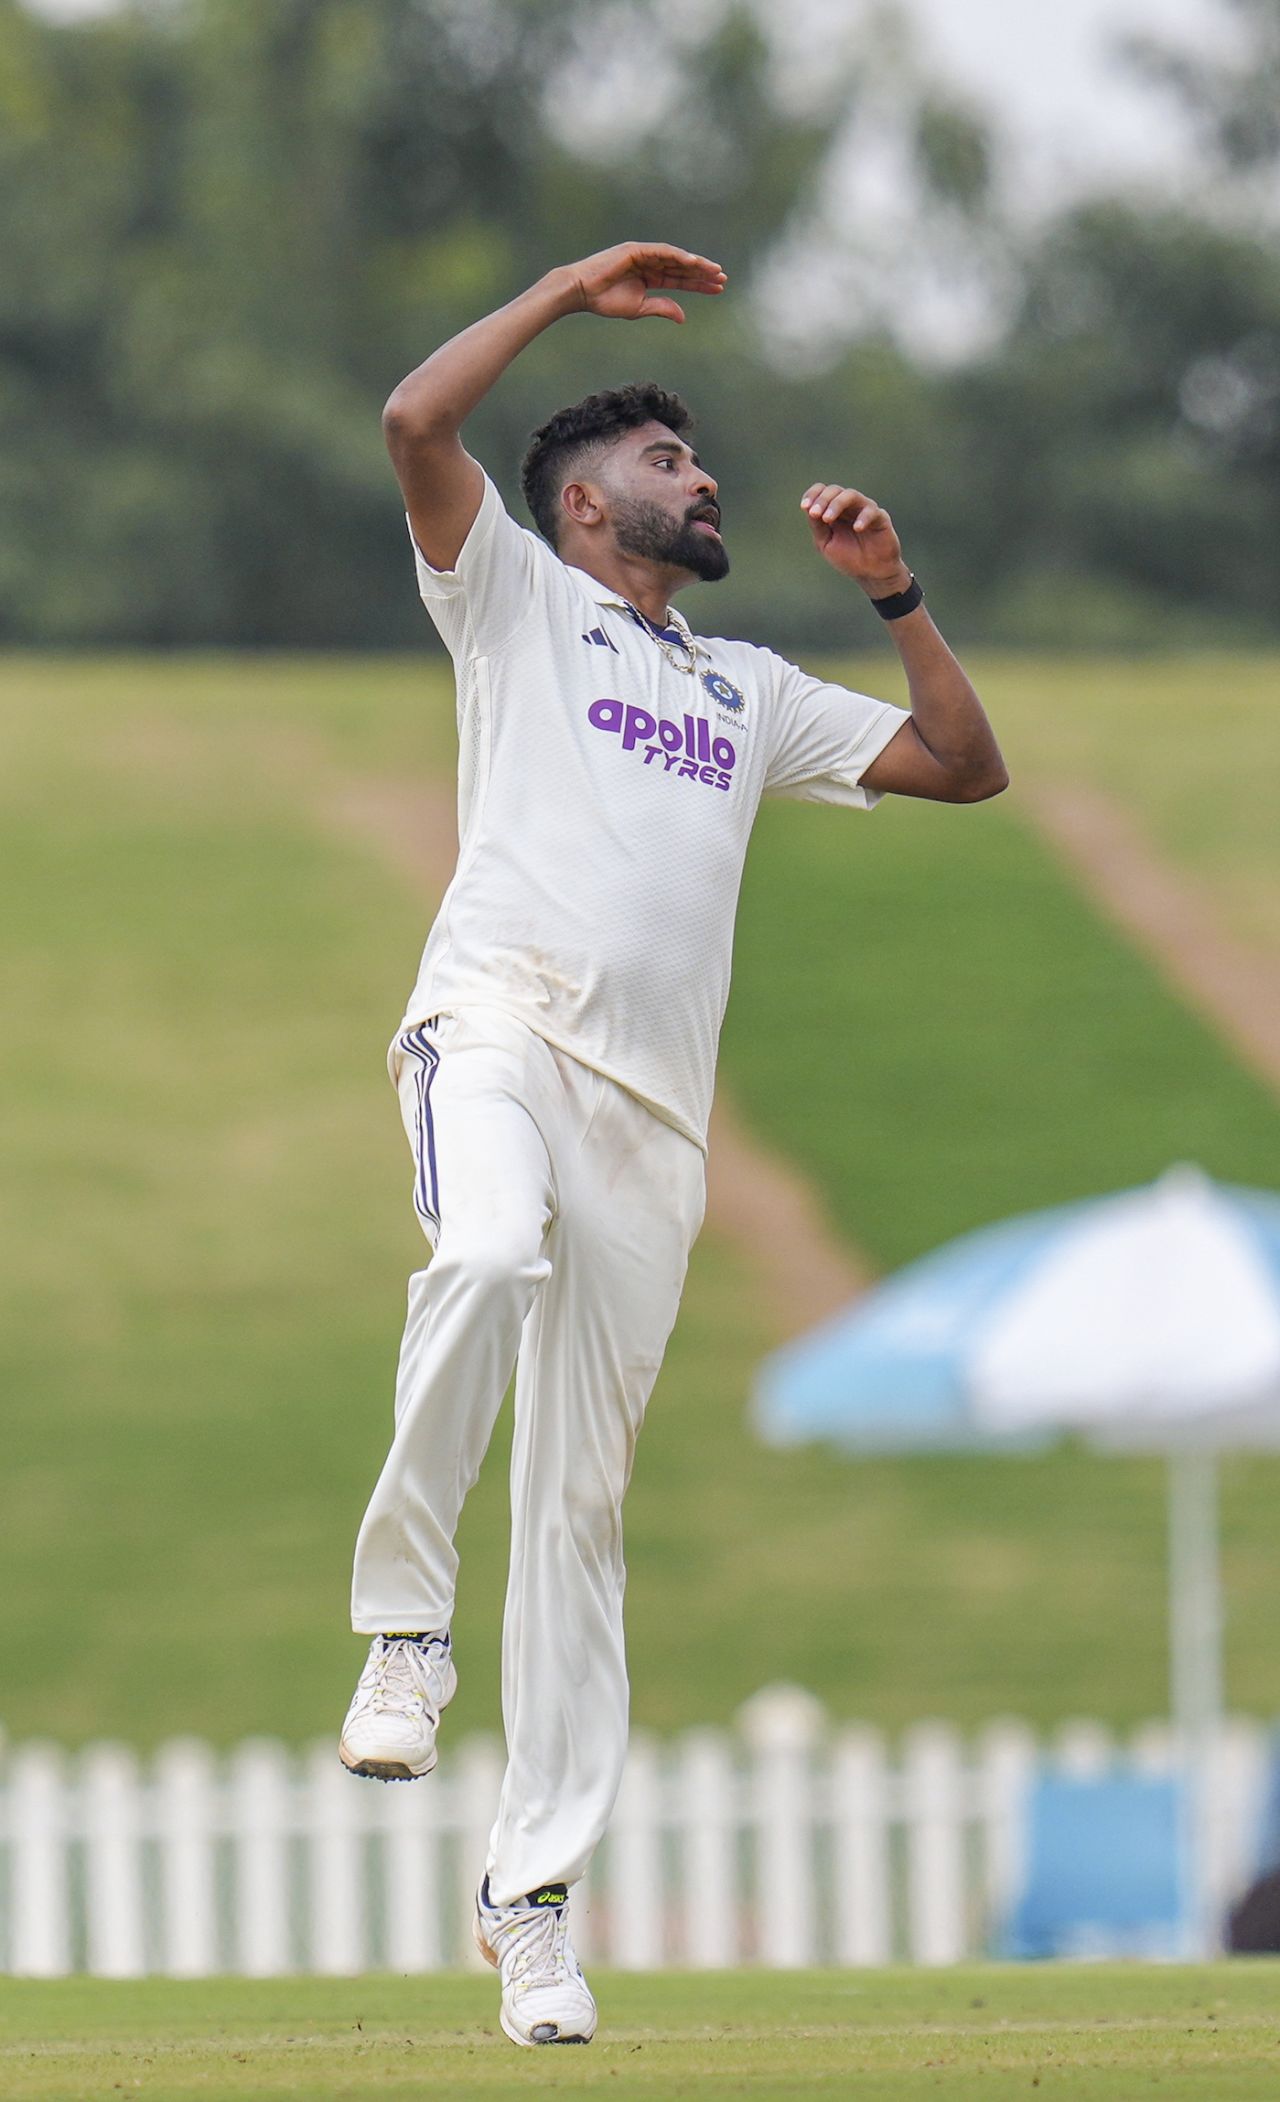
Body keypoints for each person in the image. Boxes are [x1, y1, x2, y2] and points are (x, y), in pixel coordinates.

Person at [338, 241, 1007, 2046]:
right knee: (484, 1250)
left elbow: (965, 764)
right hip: (497, 1026)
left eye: (697, 459)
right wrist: (565, 291)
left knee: (579, 1512)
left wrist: (897, 593)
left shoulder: (748, 689)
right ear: (583, 501)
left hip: (653, 1120)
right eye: (667, 460)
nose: (701, 479)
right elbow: (412, 420)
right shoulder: (509, 596)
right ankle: (404, 1627)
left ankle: (532, 1907)